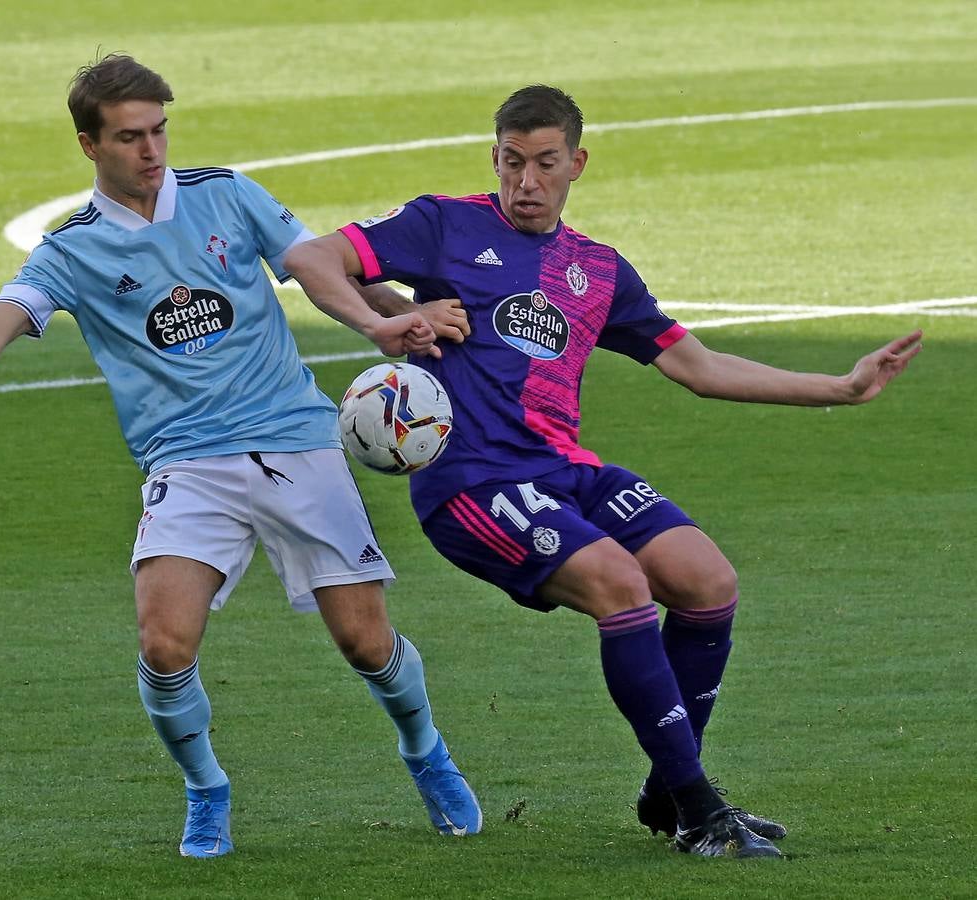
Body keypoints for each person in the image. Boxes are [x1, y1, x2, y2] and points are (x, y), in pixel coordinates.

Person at [0, 53, 483, 858]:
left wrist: (388, 317)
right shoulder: (72, 249)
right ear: (88, 145)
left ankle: (425, 750)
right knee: (163, 644)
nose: (151, 150)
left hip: (294, 437)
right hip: (187, 463)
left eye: (158, 130)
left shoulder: (224, 194)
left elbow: (314, 268)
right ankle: (205, 788)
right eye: (128, 137)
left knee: (363, 641)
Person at [285, 84, 922, 859]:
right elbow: (311, 257)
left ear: (575, 164)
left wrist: (842, 389)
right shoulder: (444, 224)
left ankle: (669, 789)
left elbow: (697, 365)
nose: (525, 181)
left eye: (544, 163)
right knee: (620, 585)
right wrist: (382, 321)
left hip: (563, 469)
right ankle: (697, 805)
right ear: (493, 157)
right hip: (474, 483)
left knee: (706, 580)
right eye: (510, 162)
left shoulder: (595, 268)